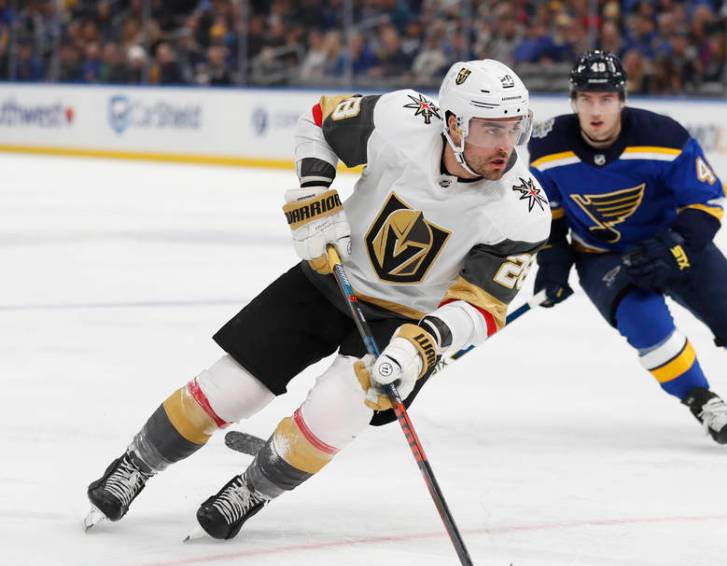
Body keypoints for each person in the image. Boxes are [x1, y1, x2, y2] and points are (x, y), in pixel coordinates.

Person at [85, 60, 549, 539]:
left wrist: (427, 342)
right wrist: (314, 192)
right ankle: (135, 465)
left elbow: (485, 305)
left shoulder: (522, 209)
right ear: (452, 123)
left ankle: (253, 489)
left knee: (336, 409)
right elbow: (320, 120)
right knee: (234, 387)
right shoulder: (402, 118)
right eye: (491, 128)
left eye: (515, 128)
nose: (505, 144)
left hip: (405, 320)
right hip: (330, 275)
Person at [528, 50, 727, 446]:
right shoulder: (546, 147)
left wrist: (674, 248)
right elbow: (548, 218)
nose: (596, 111)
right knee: (647, 325)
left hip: (675, 243)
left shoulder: (663, 137)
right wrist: (552, 266)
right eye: (586, 100)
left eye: (605, 100)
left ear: (622, 99)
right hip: (604, 259)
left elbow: (707, 203)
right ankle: (703, 401)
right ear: (573, 101)